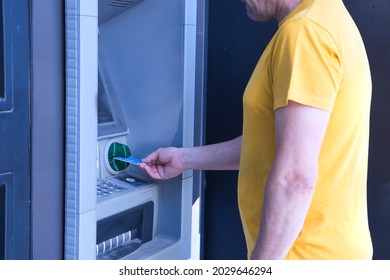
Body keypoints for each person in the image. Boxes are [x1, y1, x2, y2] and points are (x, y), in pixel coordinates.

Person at [140, 0, 373, 260]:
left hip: (305, 256)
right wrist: (184, 158)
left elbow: (295, 177)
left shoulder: (304, 33)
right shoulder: (328, 17)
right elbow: (271, 144)